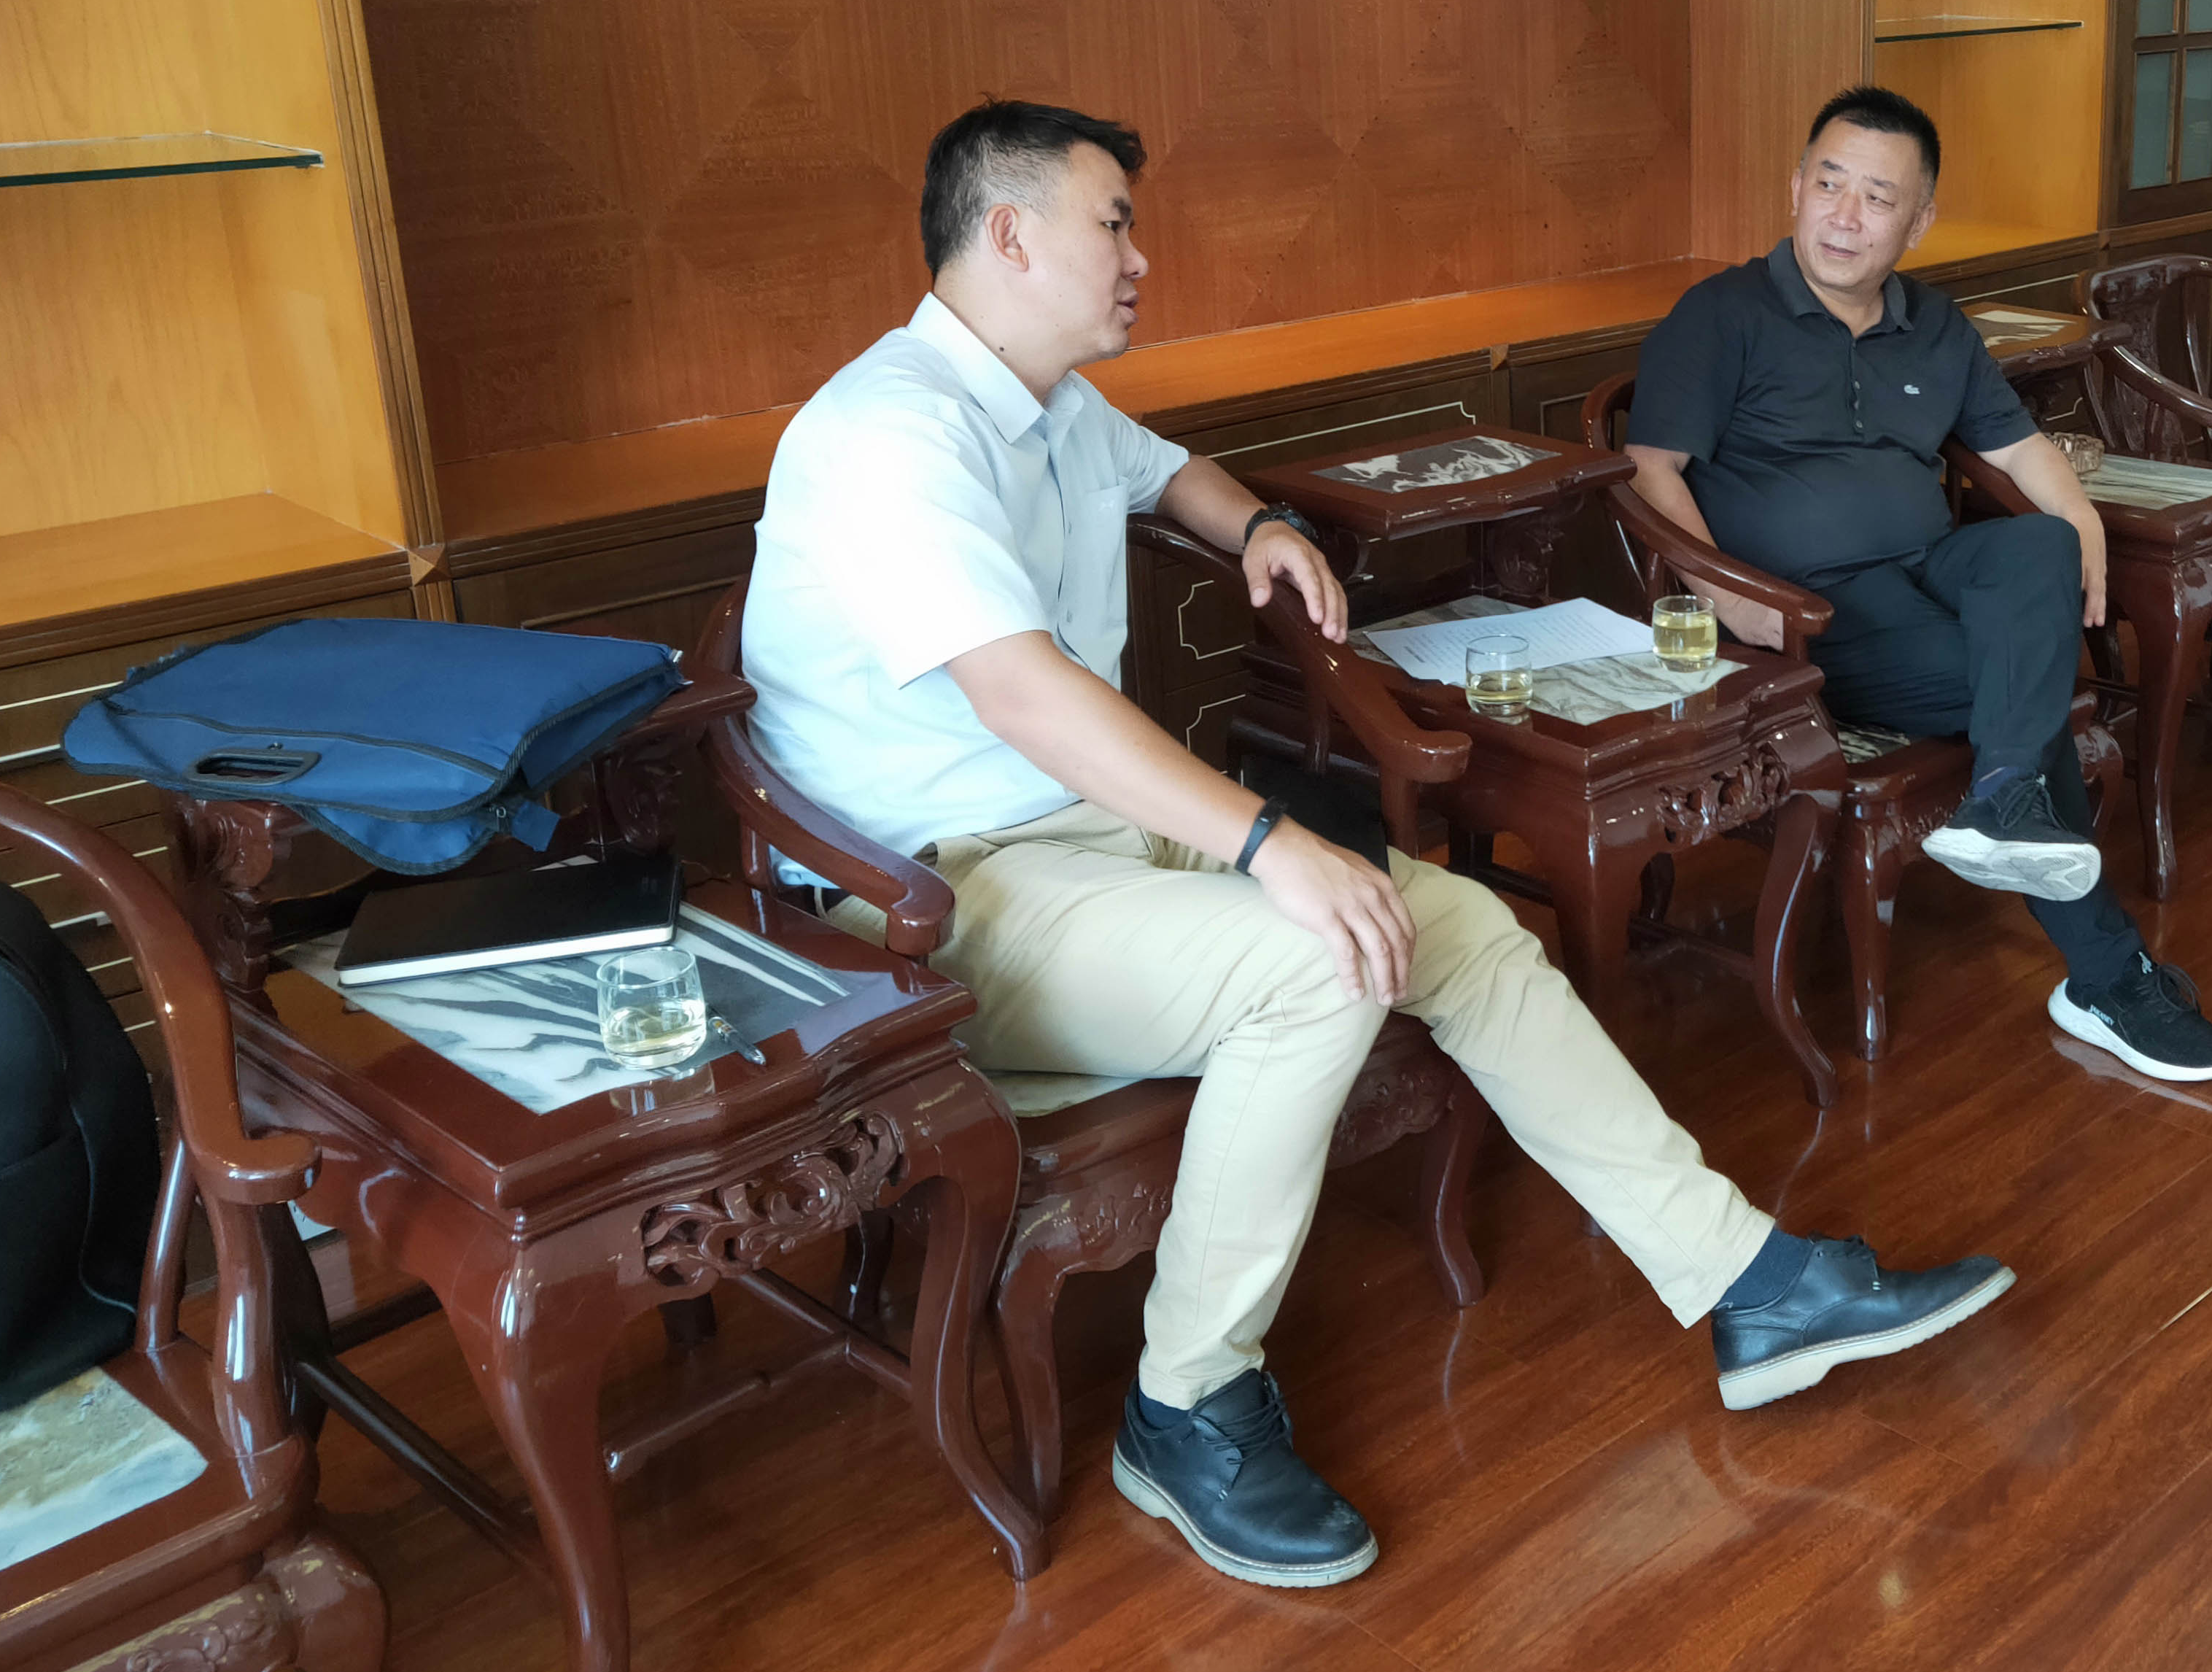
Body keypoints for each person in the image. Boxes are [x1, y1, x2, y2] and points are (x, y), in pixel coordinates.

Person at [740, 97, 2014, 1592]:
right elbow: (1022, 696)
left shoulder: (1046, 402)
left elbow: (1167, 473)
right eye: (1115, 226)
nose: (1140, 259)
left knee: (1463, 925)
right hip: (925, 902)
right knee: (1319, 957)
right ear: (1009, 235)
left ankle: (1743, 1281)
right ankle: (1183, 1401)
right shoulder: (890, 433)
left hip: (1085, 836)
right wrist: (1266, 843)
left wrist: (1256, 528)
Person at [1623, 84, 2212, 1085]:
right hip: (1818, 611)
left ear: (1918, 221)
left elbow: (2022, 450)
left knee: (2039, 546)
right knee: (2020, 690)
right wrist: (1738, 605)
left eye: (1878, 198)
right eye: (1830, 184)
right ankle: (2108, 973)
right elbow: (1650, 471)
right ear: (1796, 187)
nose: (1845, 215)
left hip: (1929, 567)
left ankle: (2004, 805)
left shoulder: (1936, 325)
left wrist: (2082, 521)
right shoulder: (1723, 315)